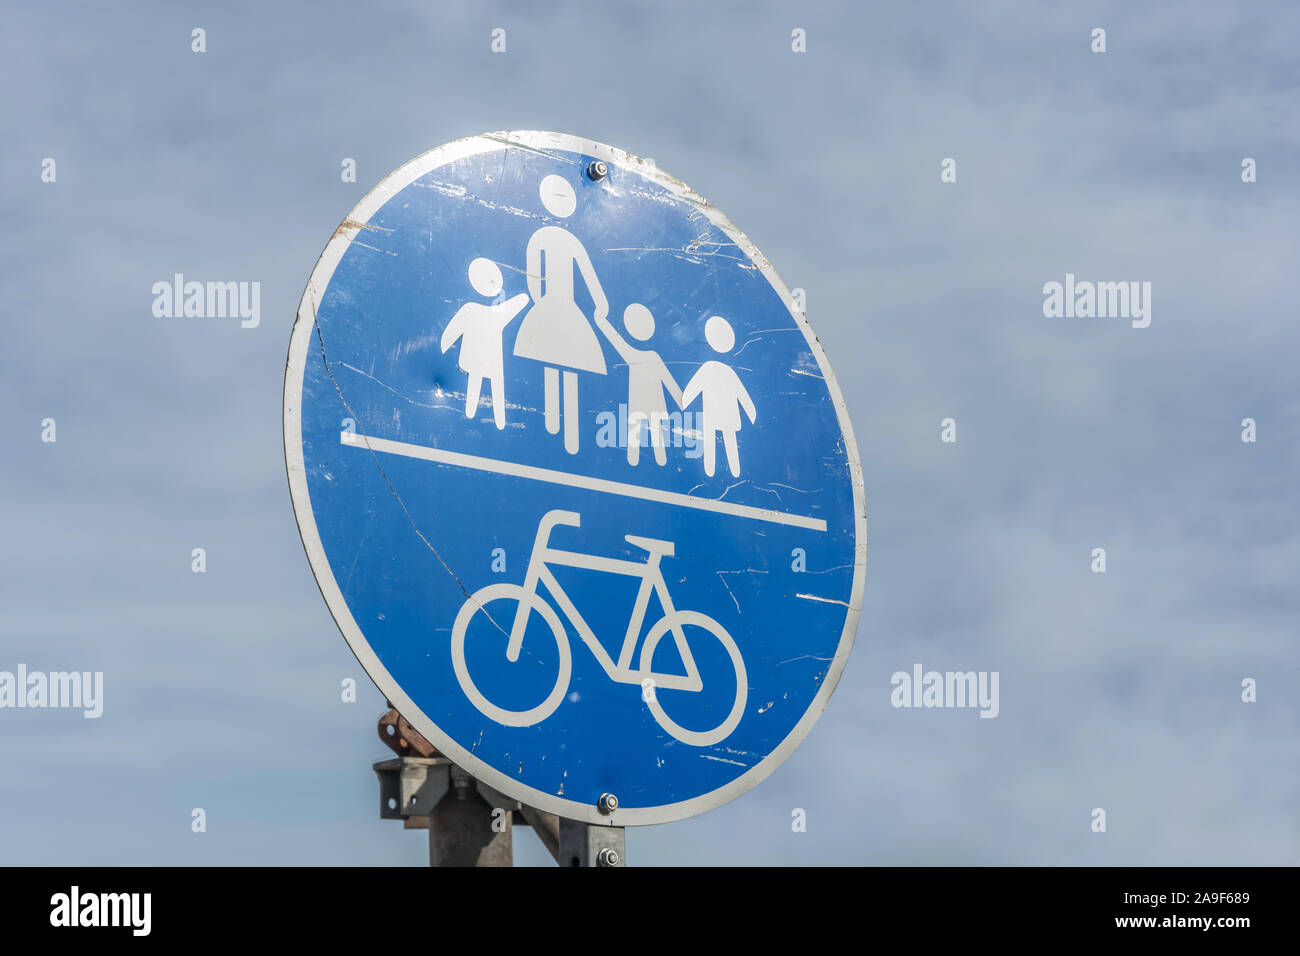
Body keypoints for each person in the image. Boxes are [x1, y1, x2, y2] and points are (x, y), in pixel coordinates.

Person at [512, 174, 609, 455]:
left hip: (565, 307)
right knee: (551, 363)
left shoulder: (569, 240)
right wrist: (541, 303)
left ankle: (570, 438)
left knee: (571, 364)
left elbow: (588, 274)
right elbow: (533, 274)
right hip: (552, 306)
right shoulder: (540, 236)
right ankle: (552, 429)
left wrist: (600, 303)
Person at [440, 257, 529, 429]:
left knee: (488, 387)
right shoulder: (482, 311)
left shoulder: (484, 311)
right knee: (488, 387)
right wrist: (444, 345)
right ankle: (482, 419)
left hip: (484, 360)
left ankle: (490, 421)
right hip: (487, 361)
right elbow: (453, 330)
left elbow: (517, 303)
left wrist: (444, 345)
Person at [595, 303, 683, 466]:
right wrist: (601, 321)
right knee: (637, 435)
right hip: (640, 403)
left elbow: (670, 383)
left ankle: (651, 462)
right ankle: (635, 463)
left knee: (653, 434)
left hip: (652, 404)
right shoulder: (639, 355)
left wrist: (683, 403)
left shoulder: (650, 356)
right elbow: (616, 340)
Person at [681, 316, 757, 478]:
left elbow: (742, 393)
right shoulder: (715, 368)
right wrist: (685, 400)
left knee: (724, 440)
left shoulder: (720, 370)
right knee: (718, 440)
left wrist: (751, 412)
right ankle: (714, 471)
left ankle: (730, 471)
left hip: (721, 414)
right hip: (720, 413)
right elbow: (694, 386)